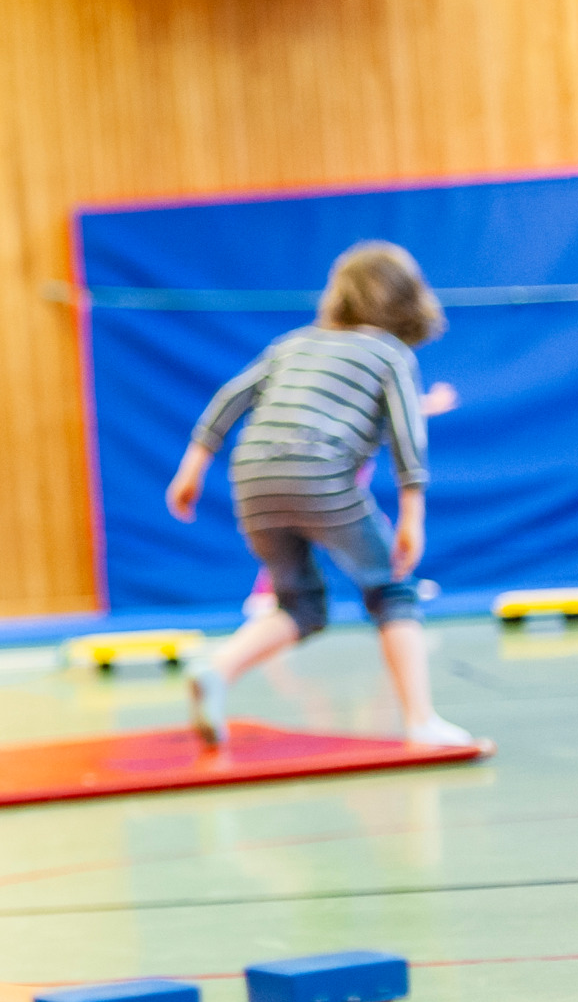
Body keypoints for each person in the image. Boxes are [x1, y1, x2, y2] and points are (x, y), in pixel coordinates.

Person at [164, 241, 478, 750]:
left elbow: (231, 398)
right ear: (407, 303)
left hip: (252, 478)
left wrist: (192, 469)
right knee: (392, 591)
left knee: (300, 604)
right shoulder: (390, 353)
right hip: (320, 472)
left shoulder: (293, 343)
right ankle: (420, 721)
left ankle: (218, 670)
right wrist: (412, 516)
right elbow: (405, 435)